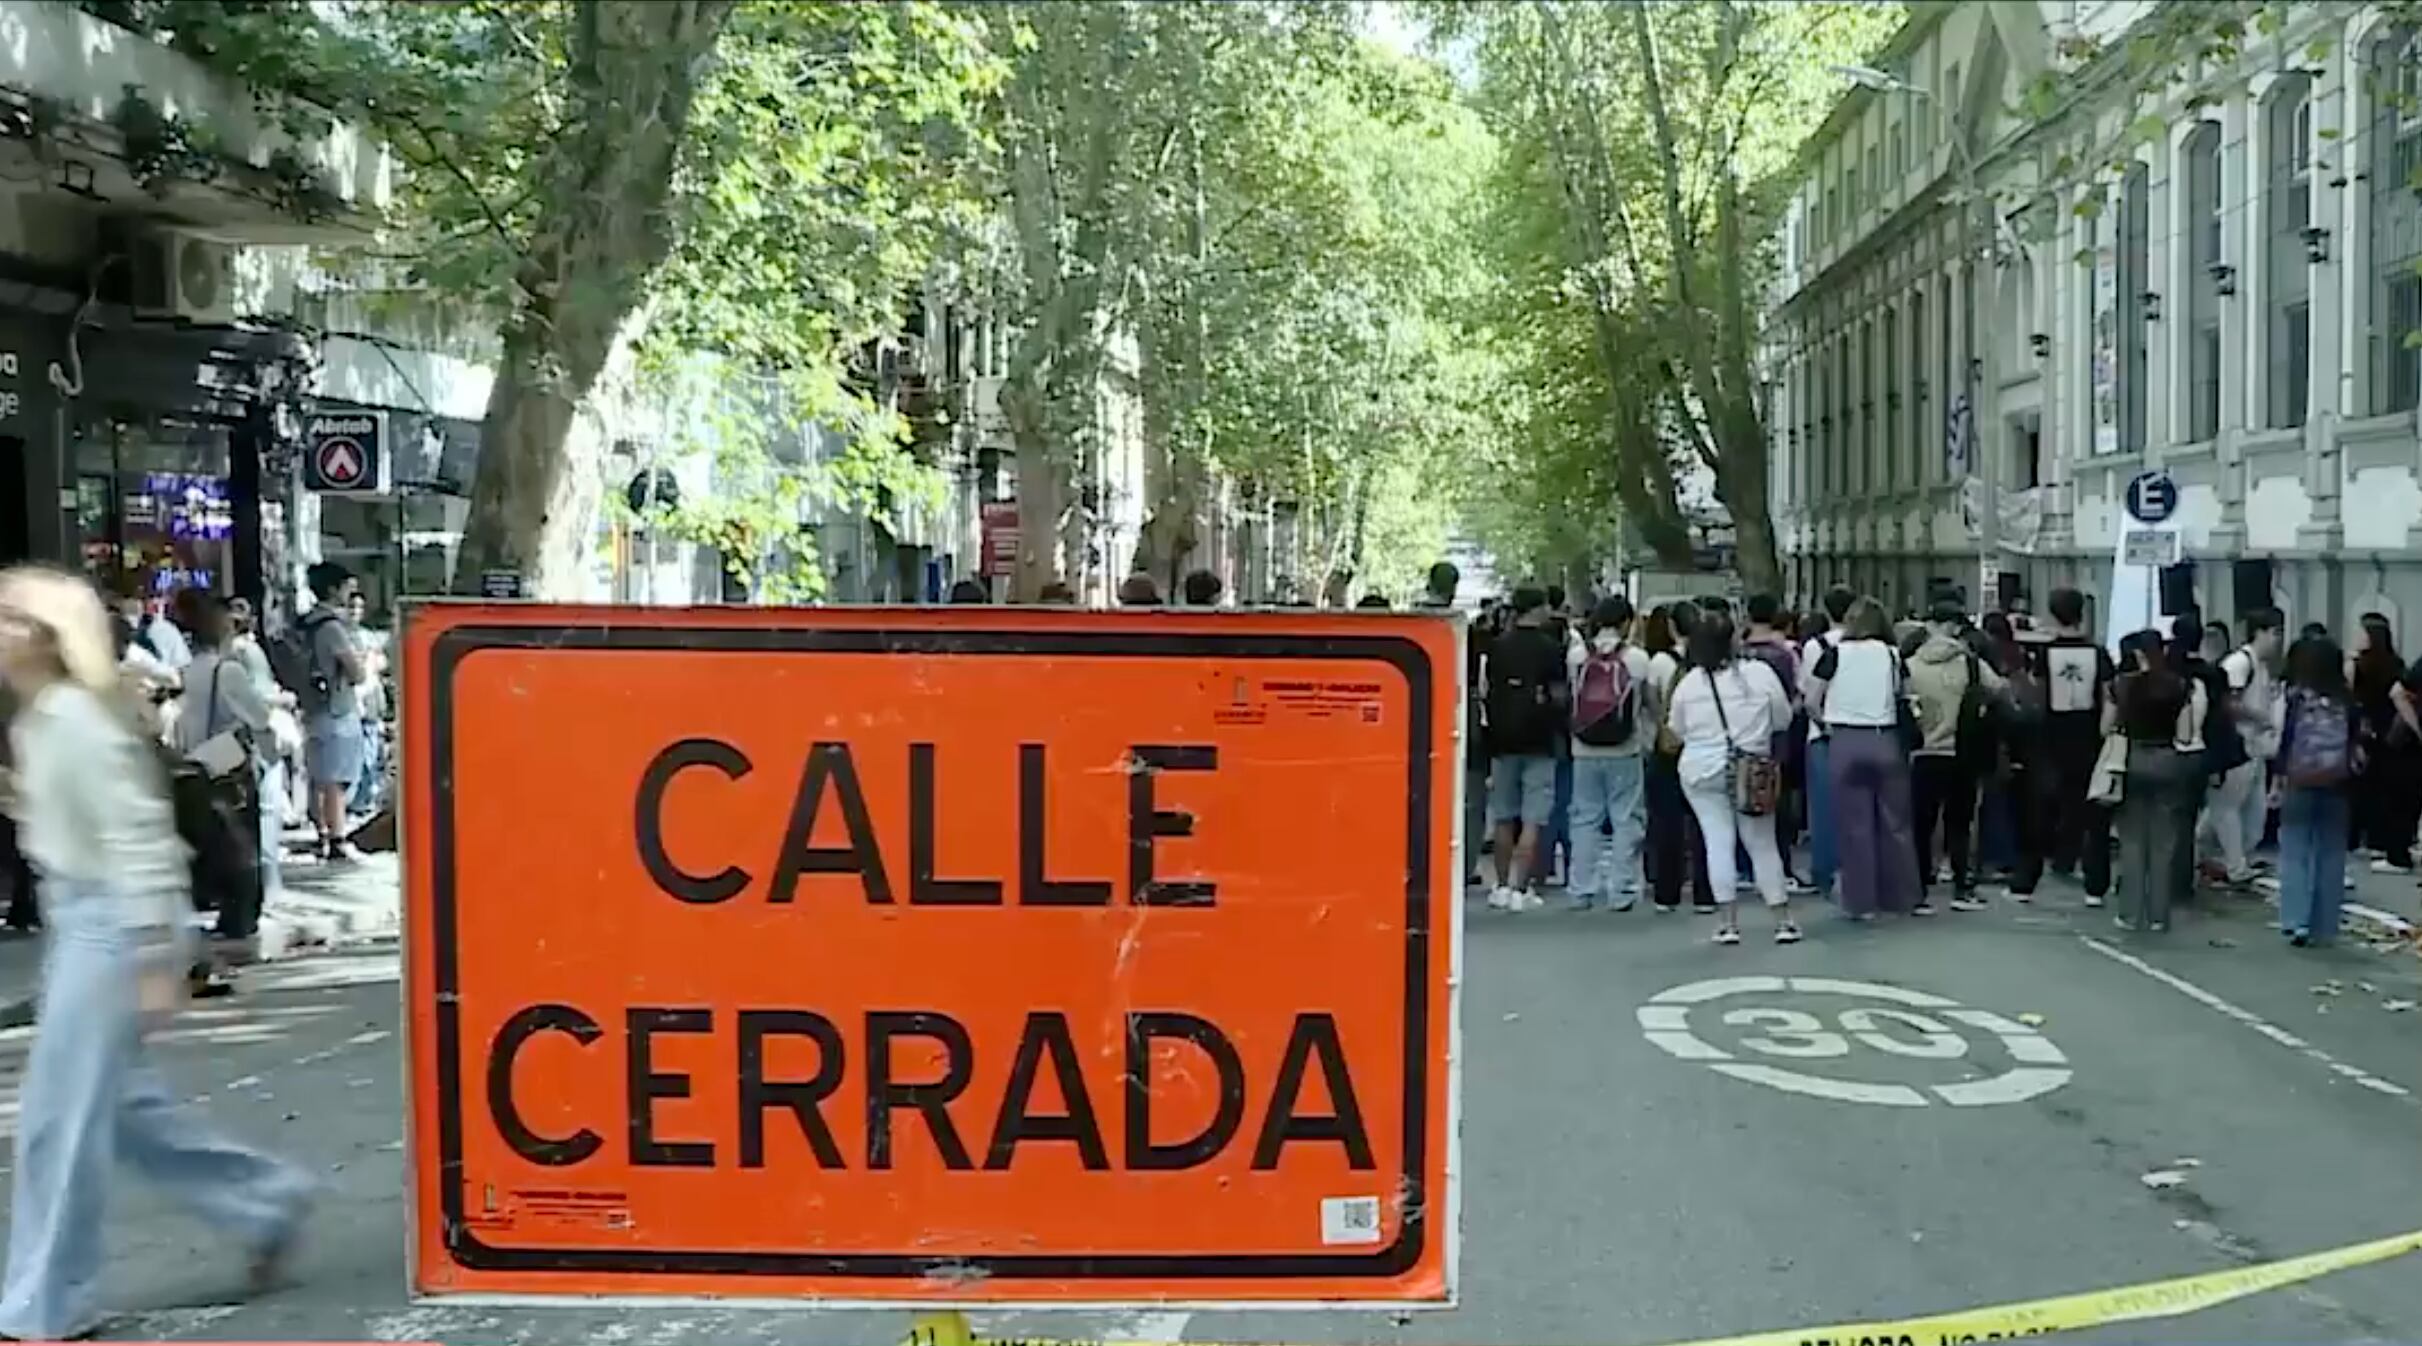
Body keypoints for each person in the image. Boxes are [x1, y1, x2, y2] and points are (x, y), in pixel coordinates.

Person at [0, 566, 313, 1341]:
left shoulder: (72, 717)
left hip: (115, 920)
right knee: (125, 1114)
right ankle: (264, 1200)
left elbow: (140, 838)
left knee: (58, 1123)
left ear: (44, 637)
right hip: (86, 916)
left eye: (10, 616)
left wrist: (152, 956)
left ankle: (48, 1304)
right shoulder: (42, 717)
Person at [1668, 611, 1800, 945]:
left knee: (1717, 840)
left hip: (1701, 768)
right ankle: (1782, 920)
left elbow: (1677, 730)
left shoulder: (1689, 683)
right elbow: (1783, 718)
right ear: (1734, 639)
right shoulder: (1759, 674)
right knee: (1762, 842)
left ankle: (1727, 922)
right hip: (1751, 765)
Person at [171, 592, 279, 942]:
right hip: (228, 763)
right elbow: (258, 716)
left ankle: (220, 907)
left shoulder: (186, 672)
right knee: (242, 841)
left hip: (195, 763)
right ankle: (241, 914)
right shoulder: (228, 670)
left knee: (216, 840)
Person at [1808, 597, 1922, 918]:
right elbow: (1907, 695)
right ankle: (1901, 897)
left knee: (1854, 826)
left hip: (1845, 739)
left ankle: (1861, 902)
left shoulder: (1833, 655)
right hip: (1884, 738)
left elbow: (1812, 699)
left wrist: (1826, 724)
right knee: (1895, 823)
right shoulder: (1892, 655)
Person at [1907, 599, 2004, 910]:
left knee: (1922, 823)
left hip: (1923, 751)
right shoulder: (1971, 663)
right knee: (1960, 822)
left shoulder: (1910, 663)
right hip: (1962, 750)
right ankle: (1963, 887)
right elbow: (1999, 689)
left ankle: (1919, 889)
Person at [2023, 587, 2115, 907]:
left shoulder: (2044, 655)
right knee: (2094, 816)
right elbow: (2108, 698)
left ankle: (2026, 882)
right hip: (2089, 740)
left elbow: (2036, 697)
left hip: (2051, 740)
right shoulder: (2099, 653)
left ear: (2052, 613)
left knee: (2041, 811)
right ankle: (2096, 886)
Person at [2111, 629, 2206, 933]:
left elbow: (2106, 727)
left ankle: (2129, 913)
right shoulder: (2179, 686)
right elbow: (2185, 735)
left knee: (2133, 841)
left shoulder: (2123, 686)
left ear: (2138, 654)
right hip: (2167, 761)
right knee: (2164, 843)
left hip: (2133, 758)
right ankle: (2158, 915)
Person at [1482, 587, 1567, 911]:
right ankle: (1521, 887)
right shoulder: (1550, 648)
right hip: (1540, 741)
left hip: (1503, 741)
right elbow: (1559, 696)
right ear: (1538, 608)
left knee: (1503, 815)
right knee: (1533, 818)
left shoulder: (1498, 646)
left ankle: (1501, 886)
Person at [1565, 595, 1650, 911]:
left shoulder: (1576, 656)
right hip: (1625, 748)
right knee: (1626, 818)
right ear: (1627, 623)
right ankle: (1621, 889)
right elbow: (1647, 703)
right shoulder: (1637, 659)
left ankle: (1581, 888)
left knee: (1585, 818)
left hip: (1583, 748)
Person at [2274, 634, 2357, 945]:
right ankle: (2325, 924)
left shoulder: (2296, 698)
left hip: (2300, 781)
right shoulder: (2347, 700)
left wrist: (2279, 778)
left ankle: (2296, 921)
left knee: (2296, 851)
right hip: (2338, 784)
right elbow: (2355, 744)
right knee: (2331, 853)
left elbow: (2286, 741)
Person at [2207, 607, 2285, 887]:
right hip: (2237, 748)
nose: (2278, 640)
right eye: (2274, 633)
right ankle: (2236, 865)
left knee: (2252, 813)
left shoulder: (2260, 666)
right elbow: (2230, 703)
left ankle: (2225, 858)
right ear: (2259, 633)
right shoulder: (2239, 664)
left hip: (2255, 749)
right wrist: (2260, 718)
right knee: (2227, 808)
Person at [299, 563, 367, 862]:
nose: (349, 594)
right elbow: (356, 673)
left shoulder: (306, 625)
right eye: (345, 588)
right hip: (337, 709)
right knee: (336, 779)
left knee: (320, 775)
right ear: (332, 589)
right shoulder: (332, 628)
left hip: (313, 708)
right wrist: (363, 664)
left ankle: (322, 831)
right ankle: (337, 837)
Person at [1798, 586, 1855, 897]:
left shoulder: (1816, 646)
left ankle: (1824, 869)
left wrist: (1821, 722)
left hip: (1821, 732)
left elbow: (1808, 692)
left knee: (1822, 806)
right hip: (1858, 728)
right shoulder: (1867, 645)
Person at [2349, 614, 2414, 871]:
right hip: (2390, 731)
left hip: (2367, 727)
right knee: (2385, 787)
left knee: (2363, 786)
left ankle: (2363, 837)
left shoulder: (2358, 665)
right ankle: (2380, 838)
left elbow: (2353, 697)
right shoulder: (2397, 663)